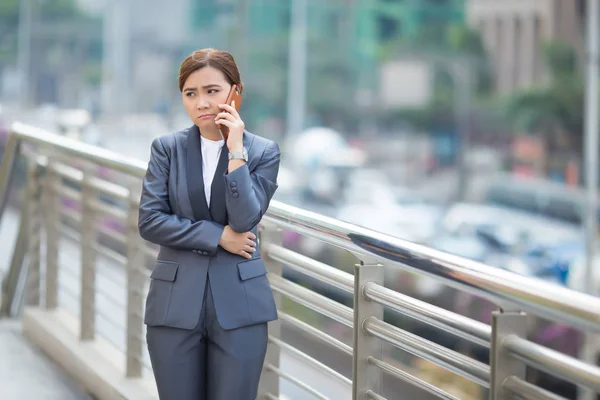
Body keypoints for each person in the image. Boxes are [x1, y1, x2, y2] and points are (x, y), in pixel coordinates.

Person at [138, 48, 281, 400]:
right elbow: (150, 220)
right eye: (191, 94)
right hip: (174, 304)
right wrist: (218, 236)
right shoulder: (167, 149)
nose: (201, 103)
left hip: (239, 306)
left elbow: (246, 218)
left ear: (236, 92)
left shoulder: (263, 152)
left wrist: (235, 151)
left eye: (212, 91)